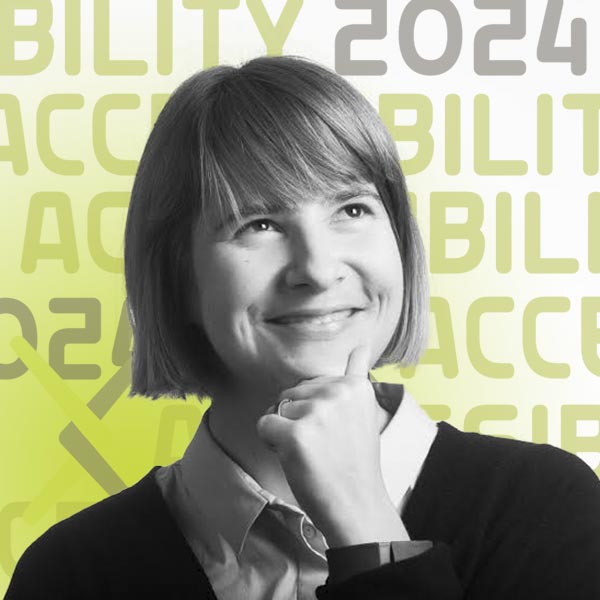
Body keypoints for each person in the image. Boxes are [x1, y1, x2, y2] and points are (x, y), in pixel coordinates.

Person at [6, 56, 600, 600]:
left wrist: (365, 525)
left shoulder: (548, 509)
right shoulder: (70, 575)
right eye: (258, 224)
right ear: (178, 277)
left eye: (352, 209)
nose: (316, 269)